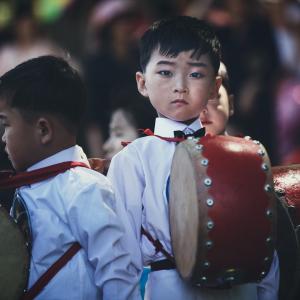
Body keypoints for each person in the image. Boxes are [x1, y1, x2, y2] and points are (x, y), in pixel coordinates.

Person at [107, 16, 279, 300]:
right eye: (165, 73)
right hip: (168, 290)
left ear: (215, 87)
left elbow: (263, 249)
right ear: (142, 83)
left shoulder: (242, 153)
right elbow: (121, 253)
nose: (180, 86)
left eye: (196, 74)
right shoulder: (133, 158)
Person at [0, 55, 141, 299]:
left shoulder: (84, 188)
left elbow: (117, 272)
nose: (3, 138)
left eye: (6, 125)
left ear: (43, 130)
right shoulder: (31, 186)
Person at [199, 61, 234, 136]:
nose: (202, 110)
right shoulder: (170, 147)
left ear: (230, 104)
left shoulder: (251, 147)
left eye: (211, 97)